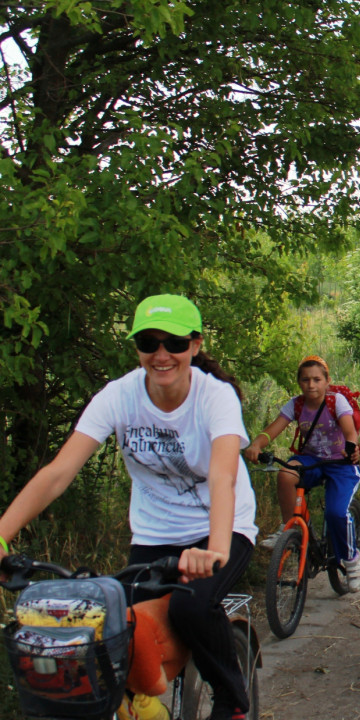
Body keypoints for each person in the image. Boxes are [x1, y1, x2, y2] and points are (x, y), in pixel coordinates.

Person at [0, 294, 257, 720]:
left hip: (221, 528)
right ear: (136, 347)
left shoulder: (216, 397)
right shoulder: (118, 396)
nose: (161, 355)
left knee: (190, 606)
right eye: (149, 343)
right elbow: (59, 473)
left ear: (195, 345)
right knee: (114, 634)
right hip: (155, 534)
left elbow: (222, 476)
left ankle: (231, 701)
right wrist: (2, 534)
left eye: (174, 343)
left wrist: (214, 550)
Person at [243, 356, 360, 590]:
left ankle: (352, 560)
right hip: (311, 460)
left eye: (317, 379)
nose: (311, 385)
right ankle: (290, 528)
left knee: (336, 513)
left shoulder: (336, 401)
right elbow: (273, 429)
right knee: (286, 473)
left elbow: (349, 430)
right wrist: (257, 445)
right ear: (299, 382)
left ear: (327, 381)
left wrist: (351, 447)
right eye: (306, 380)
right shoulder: (296, 405)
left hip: (340, 463)